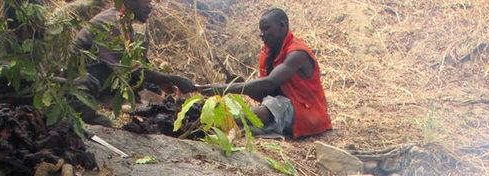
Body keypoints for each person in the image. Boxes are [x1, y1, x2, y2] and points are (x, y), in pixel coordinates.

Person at [199, 7, 331, 139]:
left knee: (273, 106)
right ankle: (211, 122)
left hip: (308, 115)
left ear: (282, 25)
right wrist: (241, 86)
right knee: (256, 118)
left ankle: (218, 121)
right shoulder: (268, 54)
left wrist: (225, 89)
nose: (262, 34)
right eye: (261, 30)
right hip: (286, 111)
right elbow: (266, 93)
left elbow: (271, 82)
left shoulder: (297, 53)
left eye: (266, 29)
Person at [73, 0, 195, 102]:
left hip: (114, 73)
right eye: (146, 2)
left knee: (152, 88)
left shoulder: (130, 24)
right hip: (86, 76)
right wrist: (170, 79)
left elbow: (139, 61)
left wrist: (161, 82)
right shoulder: (109, 23)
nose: (150, 6)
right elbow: (125, 67)